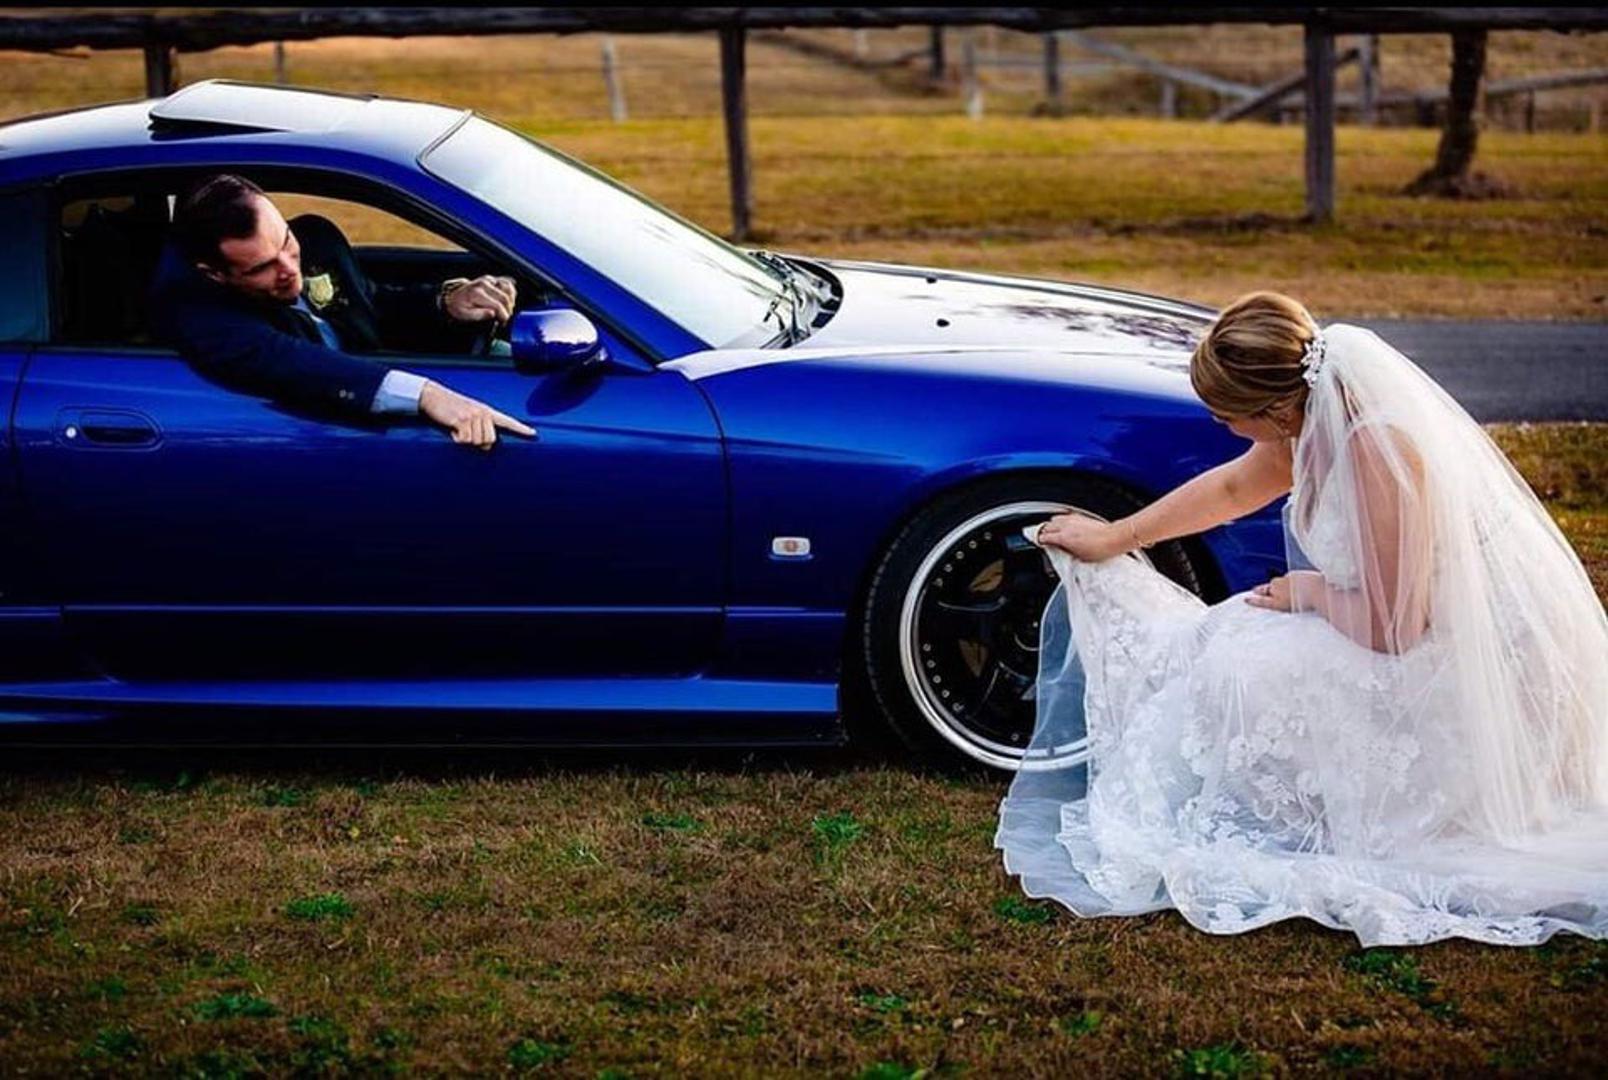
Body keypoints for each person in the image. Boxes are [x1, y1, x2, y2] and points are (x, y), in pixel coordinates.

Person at [995, 291, 1608, 947]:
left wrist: (1310, 593)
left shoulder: (1375, 448)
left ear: (1276, 409)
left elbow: (1397, 628)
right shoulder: (1313, 416)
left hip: (1454, 665)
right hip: (1393, 622)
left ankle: (1316, 809)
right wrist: (1117, 536)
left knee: (1245, 660)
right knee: (1230, 634)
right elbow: (1232, 488)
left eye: (1226, 415)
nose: (1220, 425)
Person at [148, 173, 535, 449]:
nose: (289, 269)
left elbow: (371, 304)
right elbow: (297, 364)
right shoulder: (201, 316)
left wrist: (447, 303)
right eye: (262, 267)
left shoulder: (317, 240)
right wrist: (430, 397)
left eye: (286, 241)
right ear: (215, 273)